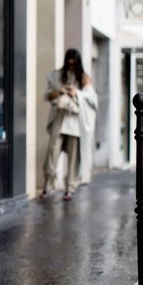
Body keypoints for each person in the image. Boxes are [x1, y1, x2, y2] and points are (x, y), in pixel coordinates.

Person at [40, 48, 98, 202]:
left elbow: (92, 99)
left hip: (75, 123)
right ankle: (48, 186)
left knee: (73, 158)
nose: (71, 67)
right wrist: (59, 91)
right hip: (60, 118)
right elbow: (47, 95)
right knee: (52, 154)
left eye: (74, 64)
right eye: (69, 64)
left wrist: (76, 93)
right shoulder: (57, 75)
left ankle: (70, 189)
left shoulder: (84, 78)